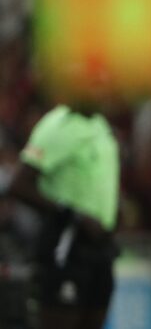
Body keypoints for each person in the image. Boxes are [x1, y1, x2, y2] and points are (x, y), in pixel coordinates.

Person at [8, 97, 120, 329]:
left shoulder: (101, 126)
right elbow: (19, 184)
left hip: (101, 249)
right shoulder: (57, 125)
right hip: (67, 248)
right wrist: (72, 214)